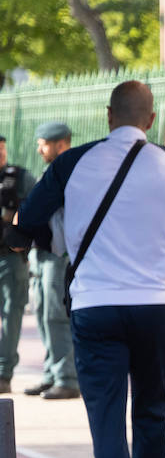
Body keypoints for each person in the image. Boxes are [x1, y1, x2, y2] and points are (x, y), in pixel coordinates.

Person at [13, 81, 165, 458]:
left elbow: (26, 225)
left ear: (108, 115)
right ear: (150, 120)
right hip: (155, 305)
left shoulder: (72, 163)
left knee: (107, 418)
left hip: (96, 305)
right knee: (153, 410)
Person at [25, 122, 80, 401]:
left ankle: (66, 378)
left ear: (61, 144)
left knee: (56, 317)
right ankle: (51, 374)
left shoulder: (71, 171)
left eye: (43, 143)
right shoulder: (53, 171)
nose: (39, 149)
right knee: (43, 314)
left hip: (59, 255)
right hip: (43, 253)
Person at [0, 136, 34, 395]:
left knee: (11, 315)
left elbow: (35, 209)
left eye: (2, 149)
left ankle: (3, 373)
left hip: (10, 259)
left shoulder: (19, 177)